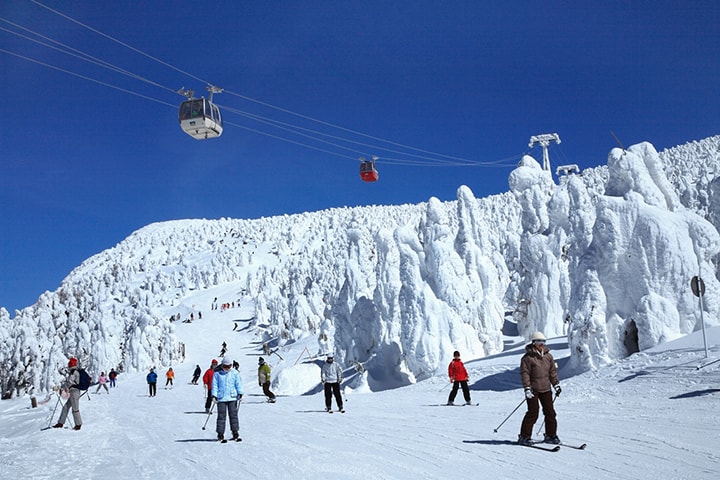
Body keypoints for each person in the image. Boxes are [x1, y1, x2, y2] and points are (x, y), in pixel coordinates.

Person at [518, 332, 562, 446]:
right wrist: (527, 388)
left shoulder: (548, 356)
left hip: (546, 388)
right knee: (533, 413)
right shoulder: (527, 358)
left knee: (550, 413)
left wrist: (556, 385)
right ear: (533, 343)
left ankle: (551, 435)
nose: (541, 344)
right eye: (538, 342)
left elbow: (552, 372)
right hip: (533, 390)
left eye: (543, 342)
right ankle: (524, 436)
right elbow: (525, 374)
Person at [211, 356, 244, 442]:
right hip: (221, 398)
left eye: (229, 366)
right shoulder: (217, 374)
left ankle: (235, 432)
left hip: (232, 397)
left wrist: (240, 393)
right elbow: (214, 385)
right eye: (225, 366)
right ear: (222, 365)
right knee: (221, 416)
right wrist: (214, 395)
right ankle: (220, 433)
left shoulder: (235, 373)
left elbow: (238, 383)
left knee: (233, 415)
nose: (227, 368)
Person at [53, 357, 83, 430]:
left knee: (75, 409)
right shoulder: (75, 371)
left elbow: (69, 382)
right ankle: (60, 423)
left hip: (74, 392)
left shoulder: (73, 372)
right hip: (74, 392)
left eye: (69, 364)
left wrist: (60, 387)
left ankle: (78, 424)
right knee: (66, 407)